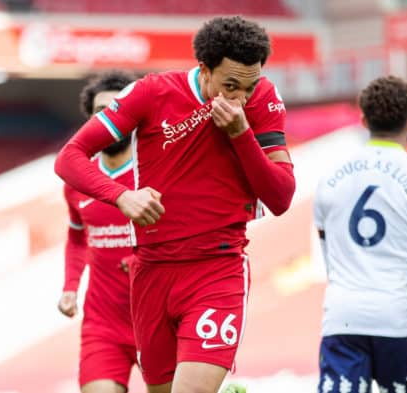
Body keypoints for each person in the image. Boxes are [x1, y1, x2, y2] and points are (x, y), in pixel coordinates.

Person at [54, 16, 296, 393]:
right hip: (152, 273)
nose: (239, 98)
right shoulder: (152, 93)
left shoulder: (262, 99)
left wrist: (241, 133)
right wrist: (122, 196)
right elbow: (70, 157)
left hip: (217, 268)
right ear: (204, 70)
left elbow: (281, 197)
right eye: (229, 85)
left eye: (248, 87)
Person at [313, 76, 407, 392]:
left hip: (342, 319)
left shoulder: (329, 179)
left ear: (363, 120)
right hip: (399, 322)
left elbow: (329, 258)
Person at [57, 70, 138, 393]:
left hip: (159, 320)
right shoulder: (78, 179)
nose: (111, 119)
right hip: (103, 325)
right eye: (101, 112)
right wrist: (70, 286)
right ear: (90, 121)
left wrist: (144, 259)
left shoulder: (157, 173)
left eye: (119, 110)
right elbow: (78, 237)